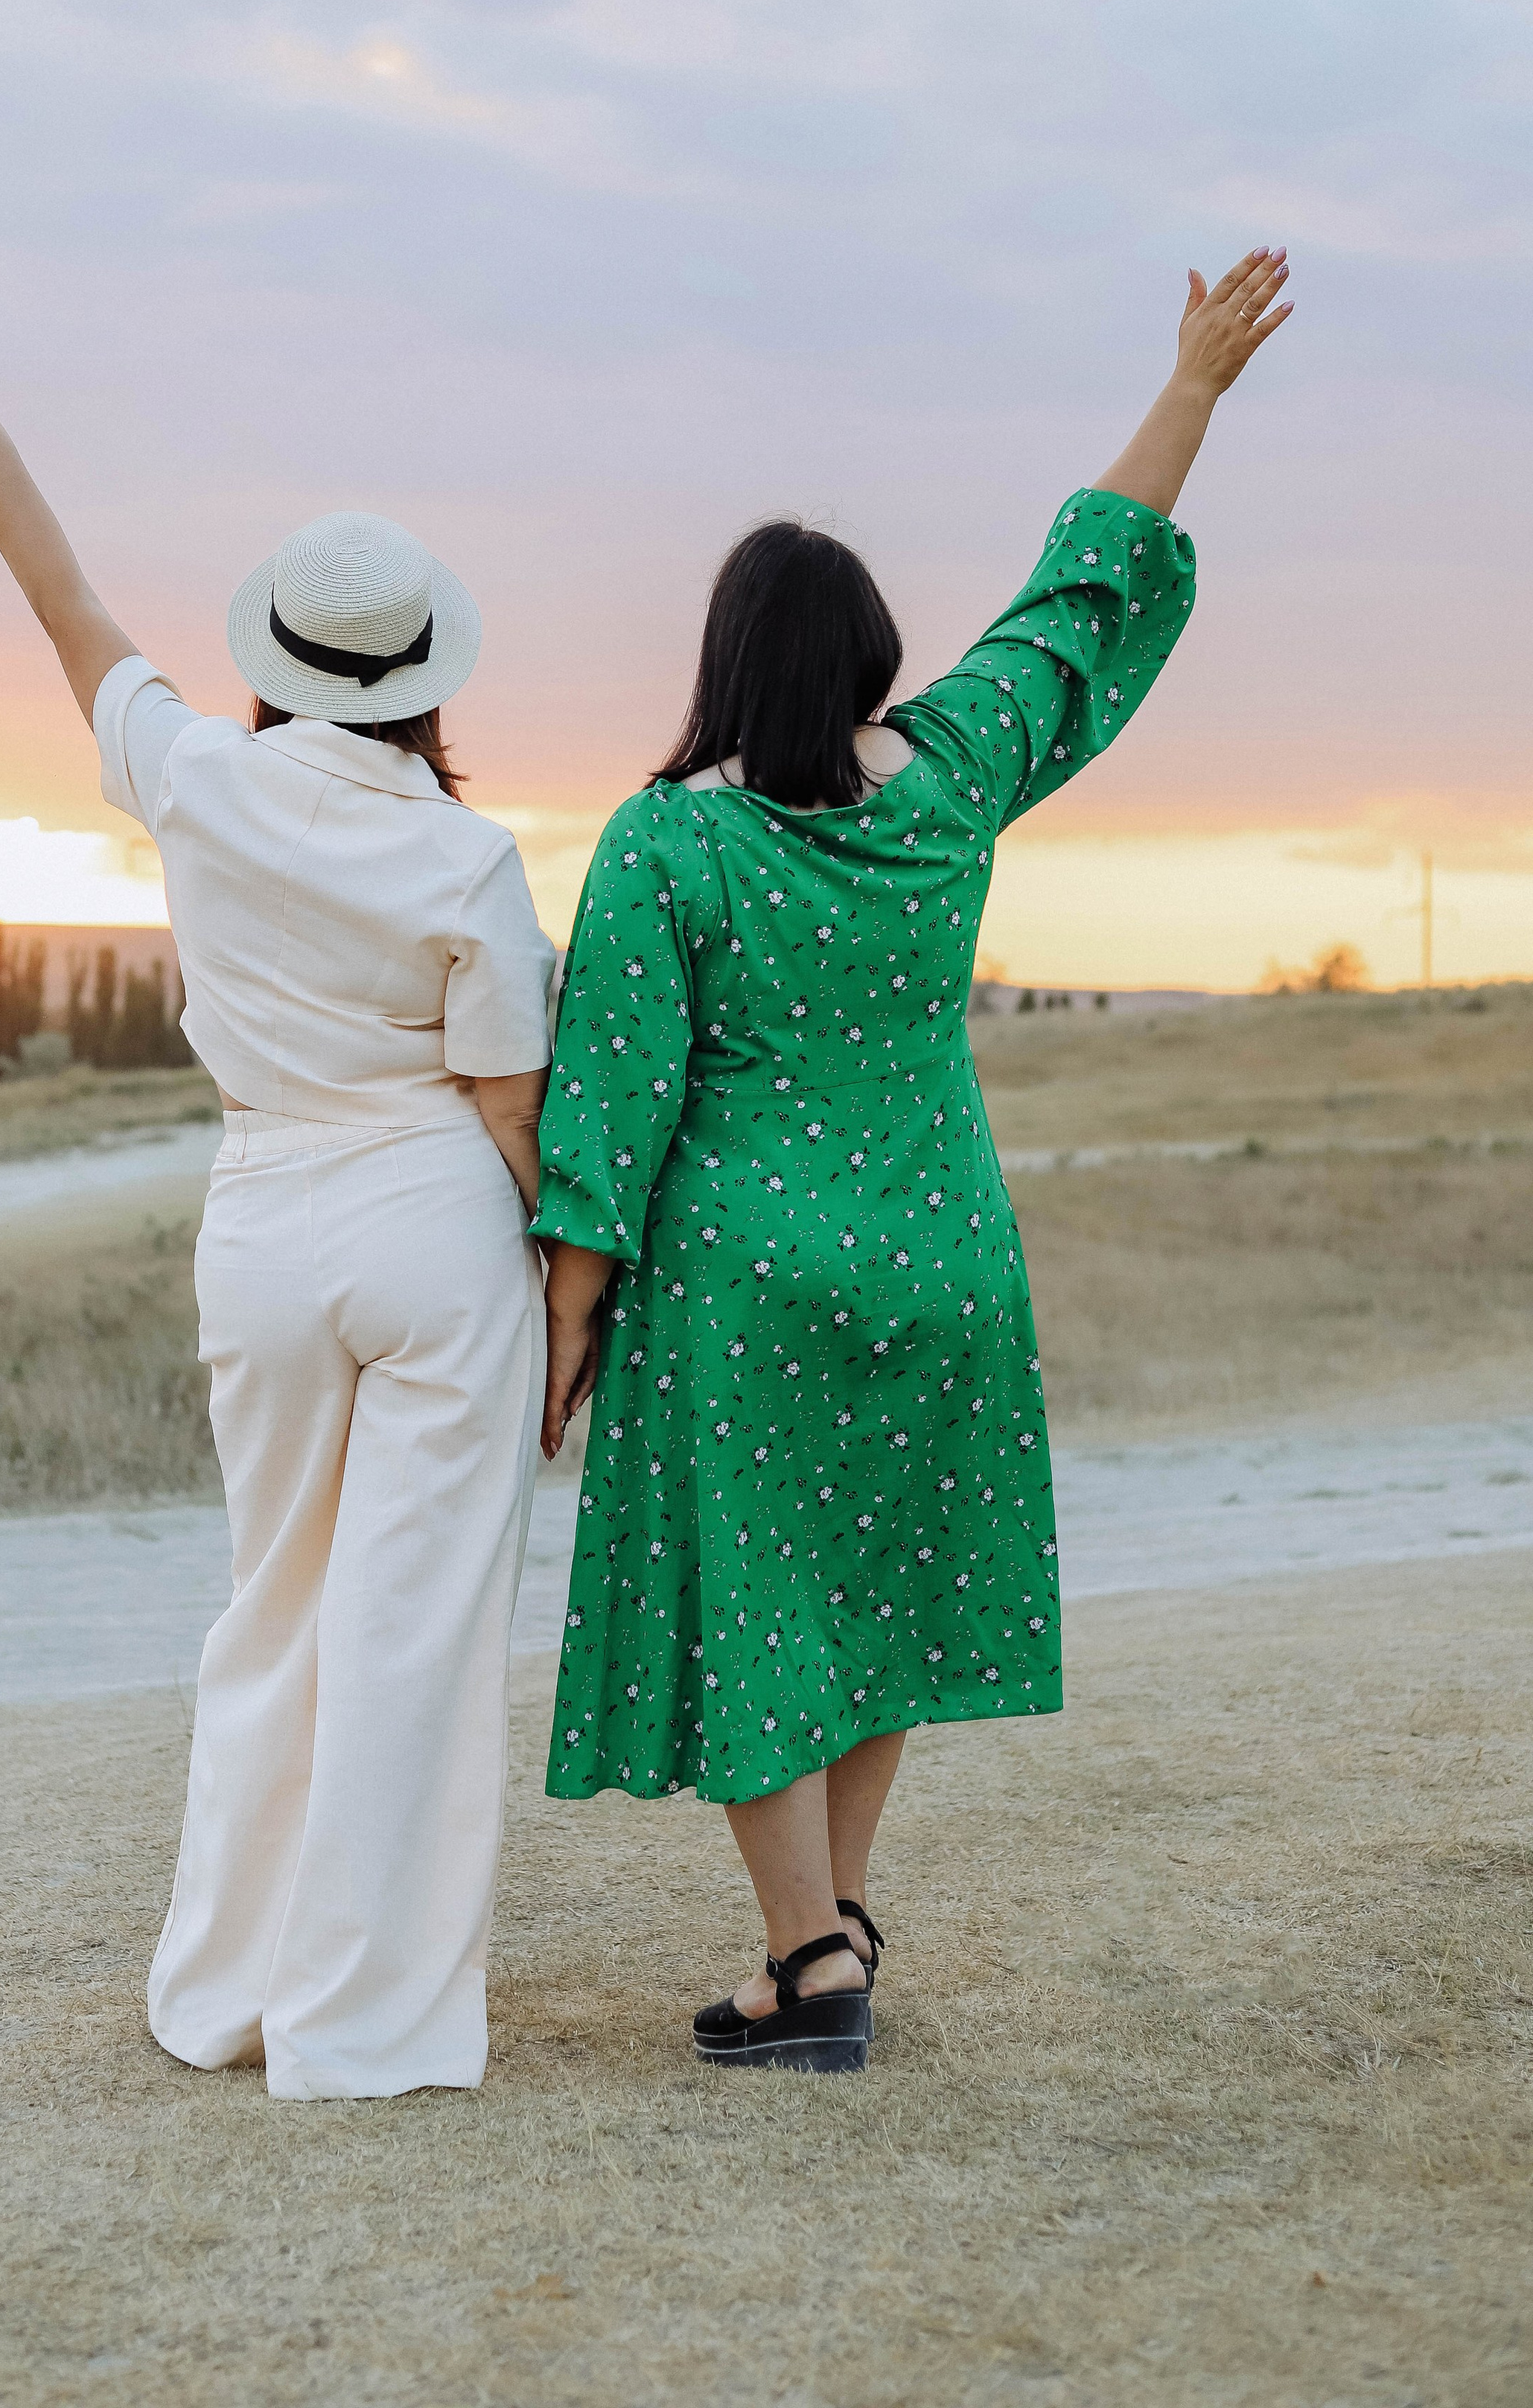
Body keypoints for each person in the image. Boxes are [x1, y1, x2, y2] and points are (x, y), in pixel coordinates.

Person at [530, 247, 1293, 2072]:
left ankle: (808, 1959)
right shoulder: (949, 777)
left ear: (720, 662)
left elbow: (609, 1106)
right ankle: (833, 1925)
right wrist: (1189, 385)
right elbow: (1071, 595)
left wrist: (568, 1320)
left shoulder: (664, 844)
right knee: (876, 1592)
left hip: (743, 1273)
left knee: (762, 1610)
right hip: (940, 1249)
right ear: (874, 657)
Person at [0, 368, 555, 2098]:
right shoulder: (469, 857)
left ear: (274, 658)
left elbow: (65, 607)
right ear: (423, 677)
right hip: (433, 1219)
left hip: (263, 1217)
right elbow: (512, 1111)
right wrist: (557, 1299)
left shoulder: (195, 780)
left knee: (269, 1612)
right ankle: (362, 2025)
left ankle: (221, 1996)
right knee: (410, 1635)